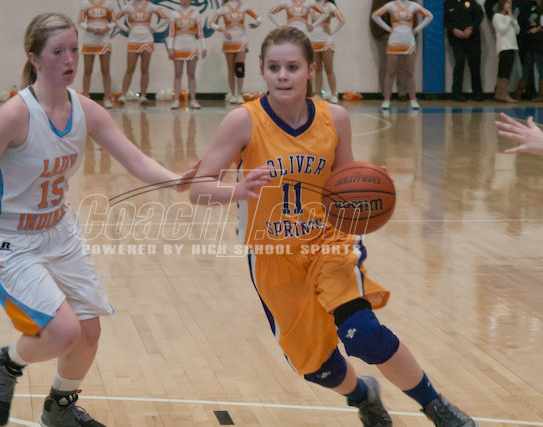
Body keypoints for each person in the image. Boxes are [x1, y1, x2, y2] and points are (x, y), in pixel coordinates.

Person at [189, 25, 478, 427]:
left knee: (364, 334)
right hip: (272, 253)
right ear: (262, 70)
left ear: (311, 70)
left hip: (330, 242)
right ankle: (362, 395)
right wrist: (237, 190)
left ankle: (437, 407)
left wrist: (369, 184)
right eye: (274, 67)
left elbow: (346, 184)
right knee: (317, 367)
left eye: (293, 67)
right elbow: (198, 190)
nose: (283, 75)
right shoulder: (243, 122)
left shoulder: (334, 118)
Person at [0, 13, 194, 426]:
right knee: (64, 333)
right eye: (58, 52)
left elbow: (136, 160)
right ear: (34, 57)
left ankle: (59, 409)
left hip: (60, 233)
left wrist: (179, 181)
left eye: (74, 50)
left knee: (89, 332)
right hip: (13, 239)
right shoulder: (15, 114)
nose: (69, 59)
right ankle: (4, 363)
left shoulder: (85, 110)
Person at [372, 0, 433, 110]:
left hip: (409, 42)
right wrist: (388, 28)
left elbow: (429, 16)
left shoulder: (413, 5)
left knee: (410, 72)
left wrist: (416, 29)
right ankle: (386, 100)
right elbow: (375, 15)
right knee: (390, 72)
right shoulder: (391, 5)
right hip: (394, 42)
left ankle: (413, 100)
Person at [114, 0, 168, 104]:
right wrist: (125, 29)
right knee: (130, 68)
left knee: (144, 68)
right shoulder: (129, 6)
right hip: (133, 39)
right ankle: (123, 95)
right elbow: (115, 19)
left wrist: (155, 28)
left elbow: (166, 18)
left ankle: (143, 96)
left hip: (147, 39)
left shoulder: (150, 5)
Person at [209, 0, 262, 104]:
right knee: (231, 69)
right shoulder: (224, 8)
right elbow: (211, 23)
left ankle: (239, 94)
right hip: (229, 41)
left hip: (242, 40)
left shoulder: (244, 6)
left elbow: (258, 17)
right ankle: (233, 94)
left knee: (240, 67)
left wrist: (257, 23)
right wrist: (223, 29)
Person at [166, 0, 207, 110]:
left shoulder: (195, 13)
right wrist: (170, 48)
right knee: (178, 74)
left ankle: (193, 100)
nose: (184, 1)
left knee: (191, 74)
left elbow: (200, 32)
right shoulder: (174, 13)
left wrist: (204, 47)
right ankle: (176, 100)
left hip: (191, 47)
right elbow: (171, 32)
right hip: (178, 47)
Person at [78, 0, 116, 108]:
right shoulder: (85, 3)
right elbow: (80, 21)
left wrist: (106, 29)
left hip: (104, 39)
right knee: (87, 70)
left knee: (105, 69)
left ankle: (107, 98)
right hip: (89, 39)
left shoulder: (108, 3)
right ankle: (85, 98)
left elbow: (114, 21)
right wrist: (89, 28)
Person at [444, 0, 485, 102]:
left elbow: (479, 16)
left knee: (475, 66)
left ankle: (478, 93)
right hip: (456, 40)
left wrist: (471, 28)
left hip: (473, 39)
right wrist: (453, 30)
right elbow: (446, 21)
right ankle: (456, 94)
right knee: (459, 66)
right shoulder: (449, 3)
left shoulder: (472, 2)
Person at [371, 0, 409, 101]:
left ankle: (403, 93)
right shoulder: (379, 2)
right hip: (384, 35)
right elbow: (374, 15)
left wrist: (412, 32)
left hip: (403, 34)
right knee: (385, 65)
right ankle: (385, 93)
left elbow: (412, 14)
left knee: (402, 64)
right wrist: (379, 33)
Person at [308, 0, 345, 103]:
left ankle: (334, 94)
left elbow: (342, 19)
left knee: (329, 69)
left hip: (326, 41)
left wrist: (332, 31)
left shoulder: (329, 5)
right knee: (317, 69)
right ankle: (317, 94)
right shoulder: (311, 4)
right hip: (313, 40)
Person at [514, 0, 543, 100]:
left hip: (539, 43)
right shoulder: (532, 8)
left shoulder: (540, 9)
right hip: (531, 42)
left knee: (540, 68)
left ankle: (541, 94)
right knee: (526, 68)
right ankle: (519, 92)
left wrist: (538, 29)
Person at [492, 0, 520, 102]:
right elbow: (502, 30)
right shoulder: (497, 16)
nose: (509, 5)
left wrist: (514, 19)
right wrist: (509, 18)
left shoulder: (509, 17)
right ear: (502, 4)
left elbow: (517, 31)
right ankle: (502, 94)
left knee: (508, 70)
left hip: (512, 46)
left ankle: (501, 93)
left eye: (510, 3)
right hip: (504, 46)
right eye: (507, 3)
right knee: (504, 70)